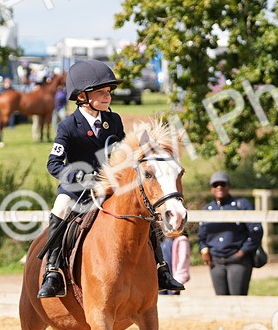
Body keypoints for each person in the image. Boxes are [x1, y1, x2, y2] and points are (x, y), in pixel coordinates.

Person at [38, 59, 185, 298]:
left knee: (144, 211)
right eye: (101, 92)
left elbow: (125, 152)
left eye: (108, 92)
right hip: (78, 190)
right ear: (83, 96)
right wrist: (81, 175)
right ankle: (53, 272)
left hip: (111, 188)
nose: (107, 97)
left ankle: (161, 268)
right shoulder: (67, 126)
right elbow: (53, 164)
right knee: (61, 209)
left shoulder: (113, 121)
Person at [198, 171, 262, 296]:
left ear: (229, 186)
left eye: (223, 184)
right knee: (221, 299)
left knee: (237, 298)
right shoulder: (208, 209)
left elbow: (256, 230)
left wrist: (242, 252)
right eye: (215, 185)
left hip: (237, 260)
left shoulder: (241, 205)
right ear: (211, 188)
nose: (219, 187)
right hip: (216, 261)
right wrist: (204, 250)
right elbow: (202, 235)